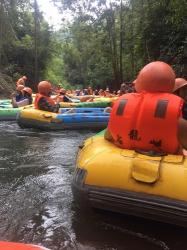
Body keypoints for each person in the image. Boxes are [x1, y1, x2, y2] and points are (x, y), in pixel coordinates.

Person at [105, 61, 187, 155]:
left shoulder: (123, 105)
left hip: (123, 162)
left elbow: (107, 136)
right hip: (165, 165)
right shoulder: (177, 119)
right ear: (171, 85)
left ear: (139, 82)